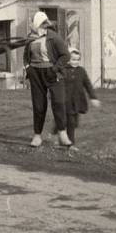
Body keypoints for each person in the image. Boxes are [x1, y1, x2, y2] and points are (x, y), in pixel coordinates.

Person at [23, 11, 73, 147]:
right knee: (38, 105)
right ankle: (37, 136)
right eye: (41, 24)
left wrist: (54, 69)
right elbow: (25, 56)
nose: (43, 27)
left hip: (52, 74)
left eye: (44, 24)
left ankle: (63, 134)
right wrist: (28, 69)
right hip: (36, 74)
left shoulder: (54, 38)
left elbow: (65, 56)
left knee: (58, 103)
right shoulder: (30, 38)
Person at [61, 48, 100, 144]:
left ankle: (60, 129)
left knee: (75, 123)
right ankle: (70, 142)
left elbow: (88, 84)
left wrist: (93, 97)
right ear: (68, 60)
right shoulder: (64, 70)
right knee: (71, 122)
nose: (75, 62)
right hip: (67, 100)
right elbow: (58, 84)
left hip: (78, 100)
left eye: (77, 59)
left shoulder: (81, 71)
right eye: (73, 59)